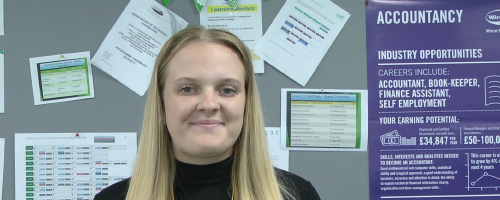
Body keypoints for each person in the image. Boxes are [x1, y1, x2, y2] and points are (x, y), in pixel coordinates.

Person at [94, 25, 320, 200]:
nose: (209, 104)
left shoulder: (298, 195)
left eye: (227, 90)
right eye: (187, 89)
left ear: (246, 105)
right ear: (161, 107)